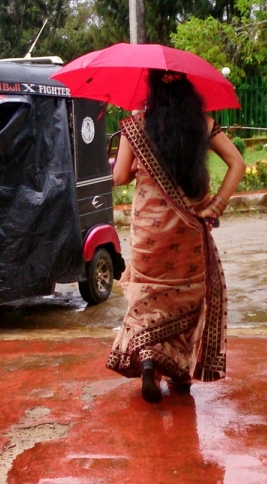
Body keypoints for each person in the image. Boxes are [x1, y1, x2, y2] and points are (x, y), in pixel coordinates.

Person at [106, 70, 246, 403]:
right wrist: (216, 206)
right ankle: (180, 371)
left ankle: (150, 359)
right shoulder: (202, 124)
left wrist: (120, 162)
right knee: (186, 298)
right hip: (188, 232)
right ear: (187, 91)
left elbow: (120, 176)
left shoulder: (135, 125)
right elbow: (238, 163)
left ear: (152, 91)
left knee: (146, 298)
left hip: (148, 235)